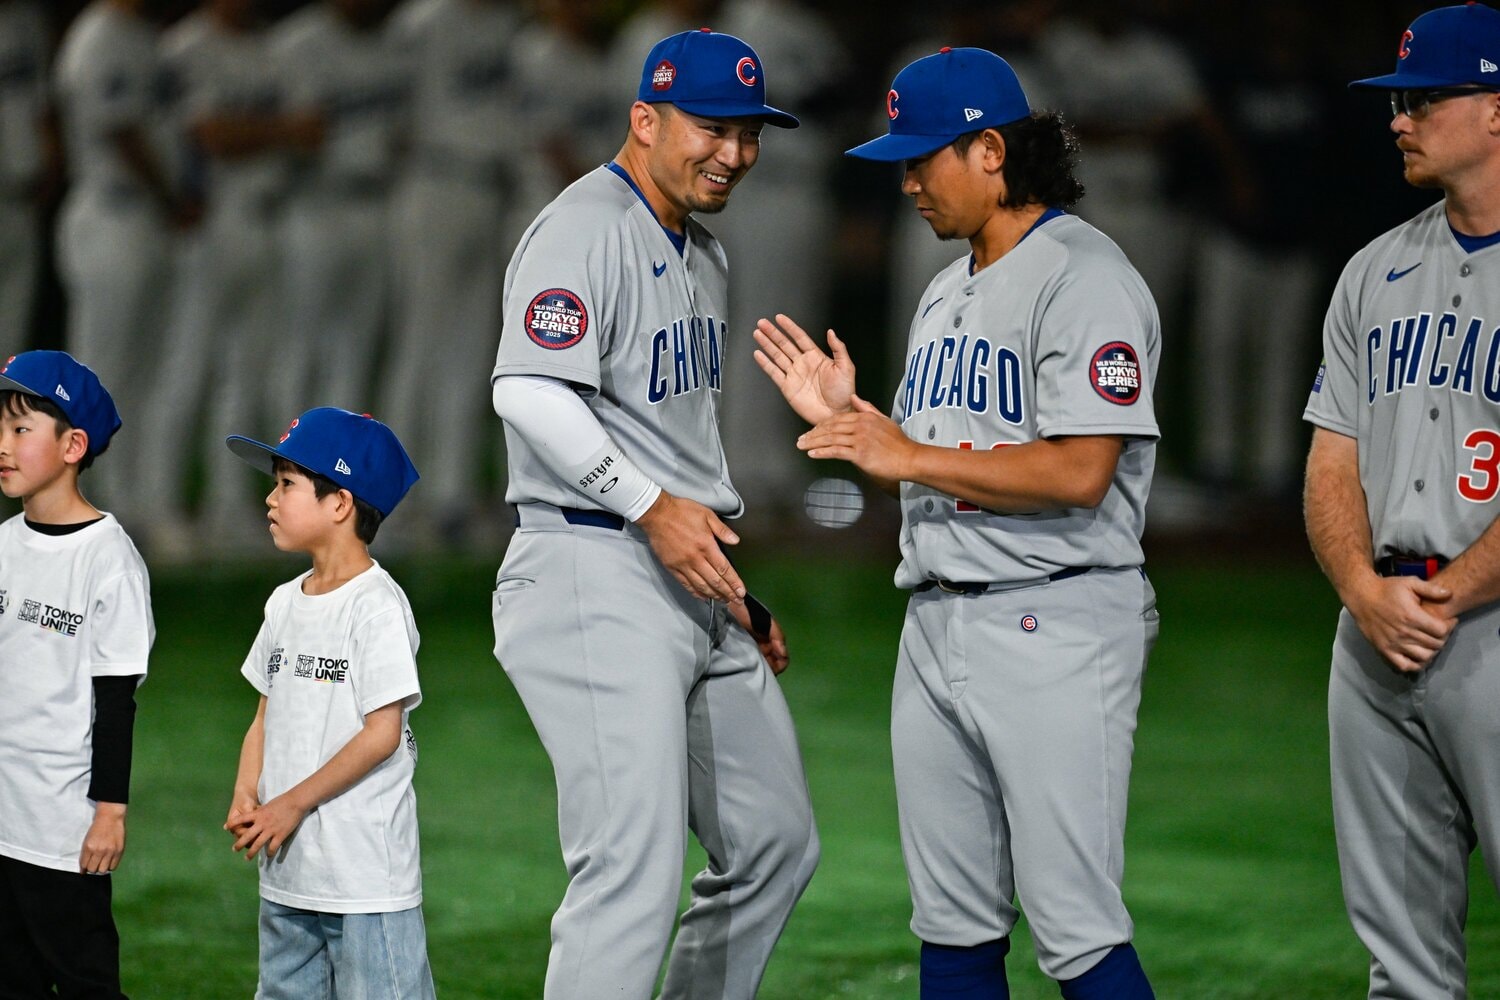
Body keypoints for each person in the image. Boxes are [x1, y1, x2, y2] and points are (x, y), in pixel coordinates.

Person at [755, 47, 1160, 998]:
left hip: (1057, 621)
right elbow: (940, 458)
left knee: (1078, 930)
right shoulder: (945, 290)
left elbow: (1080, 470)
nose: (906, 183)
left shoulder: (1084, 278)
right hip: (936, 622)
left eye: (921, 158)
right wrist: (859, 424)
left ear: (990, 151)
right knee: (951, 924)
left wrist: (901, 453)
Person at [490, 29, 818, 1000]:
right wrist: (652, 506)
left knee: (773, 842)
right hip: (590, 567)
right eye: (712, 128)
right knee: (629, 873)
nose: (736, 153)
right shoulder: (583, 227)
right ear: (644, 120)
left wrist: (727, 585)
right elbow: (526, 389)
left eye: (750, 133)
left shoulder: (702, 251)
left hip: (683, 575)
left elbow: (676, 448)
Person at [1303, 5, 1500, 996]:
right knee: (1403, 965)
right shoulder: (1372, 270)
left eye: (1423, 100)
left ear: (1497, 109)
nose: (1399, 119)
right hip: (1375, 635)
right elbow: (1331, 459)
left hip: (1491, 627)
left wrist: (1448, 593)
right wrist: (1361, 591)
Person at [222, 406, 431, 998]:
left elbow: (381, 734)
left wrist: (289, 804)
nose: (270, 499)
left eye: (287, 484)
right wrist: (247, 791)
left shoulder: (376, 607)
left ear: (340, 503)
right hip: (289, 875)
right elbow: (264, 716)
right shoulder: (283, 603)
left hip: (364, 881)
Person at [0, 350, 153, 998]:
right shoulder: (5, 544)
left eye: (20, 429)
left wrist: (110, 814)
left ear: (73, 446)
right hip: (4, 815)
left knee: (85, 982)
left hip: (62, 827)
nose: (3, 445)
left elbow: (115, 703)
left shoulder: (109, 560)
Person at [53, 0, 191, 526]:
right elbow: (120, 129)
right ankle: (89, 505)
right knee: (103, 372)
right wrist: (171, 196)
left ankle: (139, 502)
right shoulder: (100, 38)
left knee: (147, 369)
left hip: (145, 218)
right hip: (110, 212)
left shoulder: (144, 34)